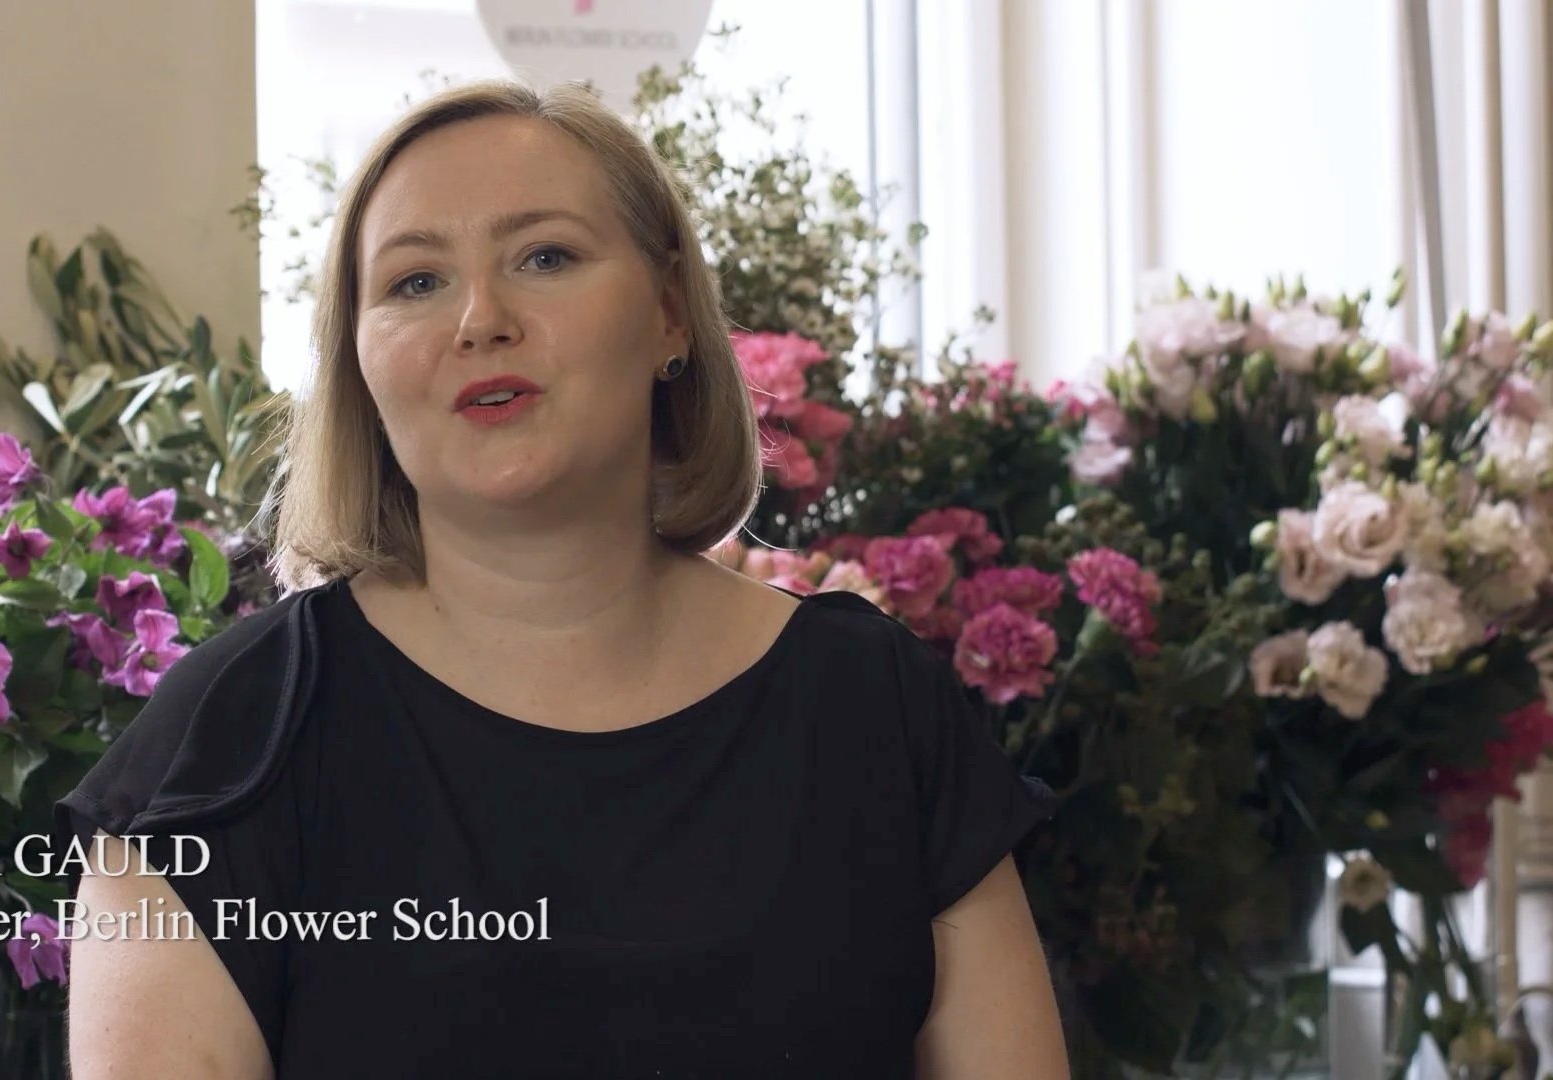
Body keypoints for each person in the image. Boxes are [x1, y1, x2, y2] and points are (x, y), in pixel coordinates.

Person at [55, 77, 1067, 1079]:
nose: (480, 318)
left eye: (545, 257)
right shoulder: (230, 746)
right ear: (359, 364)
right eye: (415, 282)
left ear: (670, 313)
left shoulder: (876, 708)